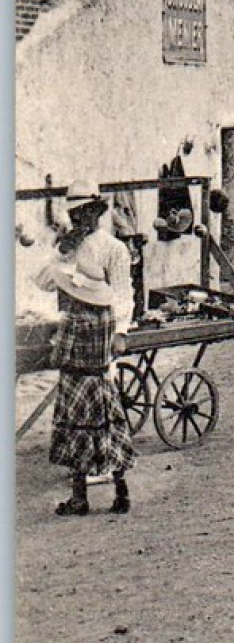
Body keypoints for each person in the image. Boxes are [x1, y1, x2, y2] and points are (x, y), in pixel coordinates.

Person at [33, 182, 136, 516]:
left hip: (100, 330)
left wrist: (121, 332)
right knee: (74, 412)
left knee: (104, 410)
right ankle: (80, 496)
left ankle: (121, 491)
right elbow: (42, 281)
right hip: (73, 330)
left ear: (99, 211)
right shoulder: (71, 246)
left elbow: (123, 294)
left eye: (87, 212)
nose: (82, 219)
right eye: (76, 214)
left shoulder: (113, 249)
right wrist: (62, 251)